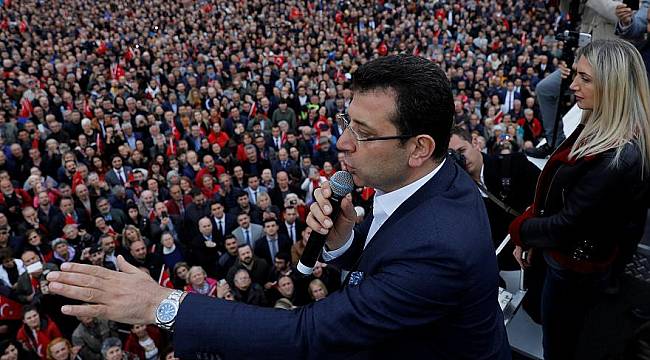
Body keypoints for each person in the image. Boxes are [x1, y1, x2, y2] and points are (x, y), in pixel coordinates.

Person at [46, 55, 509, 359]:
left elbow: (306, 336)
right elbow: (386, 267)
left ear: (418, 147)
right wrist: (343, 239)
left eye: (364, 134)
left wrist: (162, 304)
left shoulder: (440, 245)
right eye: (347, 121)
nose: (342, 142)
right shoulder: (428, 180)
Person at [509, 40, 650, 359]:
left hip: (572, 270)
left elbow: (567, 224)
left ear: (612, 85)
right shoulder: (602, 126)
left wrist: (521, 231)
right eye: (576, 75)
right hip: (571, 264)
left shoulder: (618, 156)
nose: (572, 85)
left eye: (585, 78)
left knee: (559, 346)